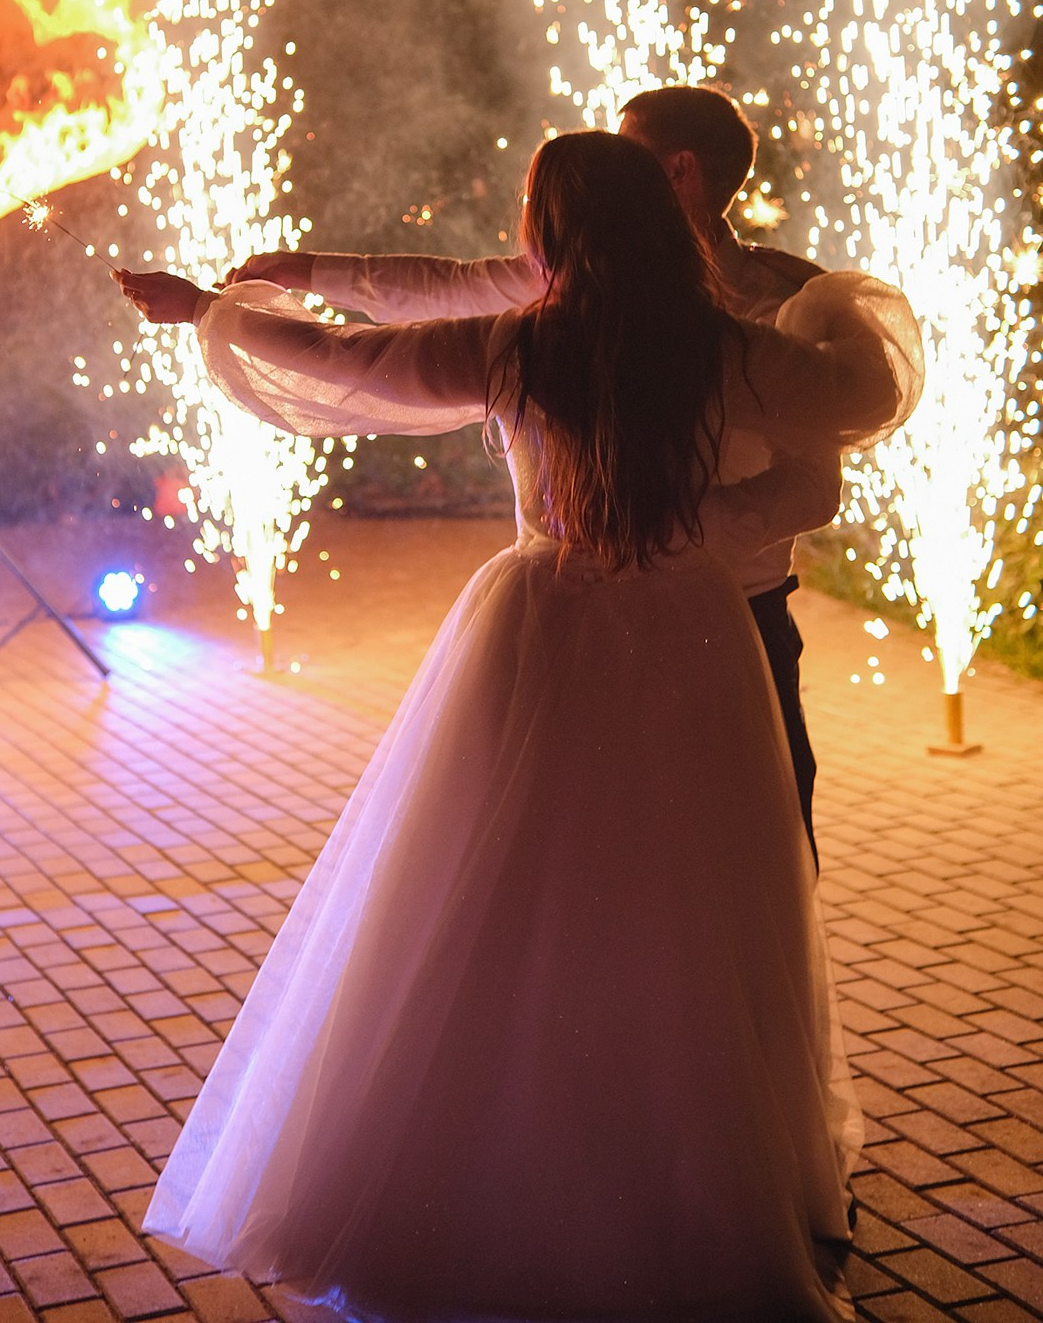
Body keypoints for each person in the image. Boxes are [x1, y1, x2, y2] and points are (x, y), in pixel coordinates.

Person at [114, 130, 920, 1323]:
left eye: (531, 207)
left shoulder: (516, 345)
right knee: (694, 903)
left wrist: (206, 313)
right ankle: (692, 1177)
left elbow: (346, 363)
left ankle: (501, 1167)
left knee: (505, 890)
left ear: (557, 227)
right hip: (691, 632)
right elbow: (841, 426)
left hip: (544, 623)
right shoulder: (724, 347)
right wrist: (705, 519)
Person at [230, 87, 829, 859]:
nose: (611, 162)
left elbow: (813, 478)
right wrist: (310, 272)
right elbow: (444, 289)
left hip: (737, 614)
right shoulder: (567, 290)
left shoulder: (779, 301)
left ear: (679, 170)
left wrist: (675, 531)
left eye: (628, 147)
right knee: (573, 845)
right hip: (579, 618)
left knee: (760, 843)